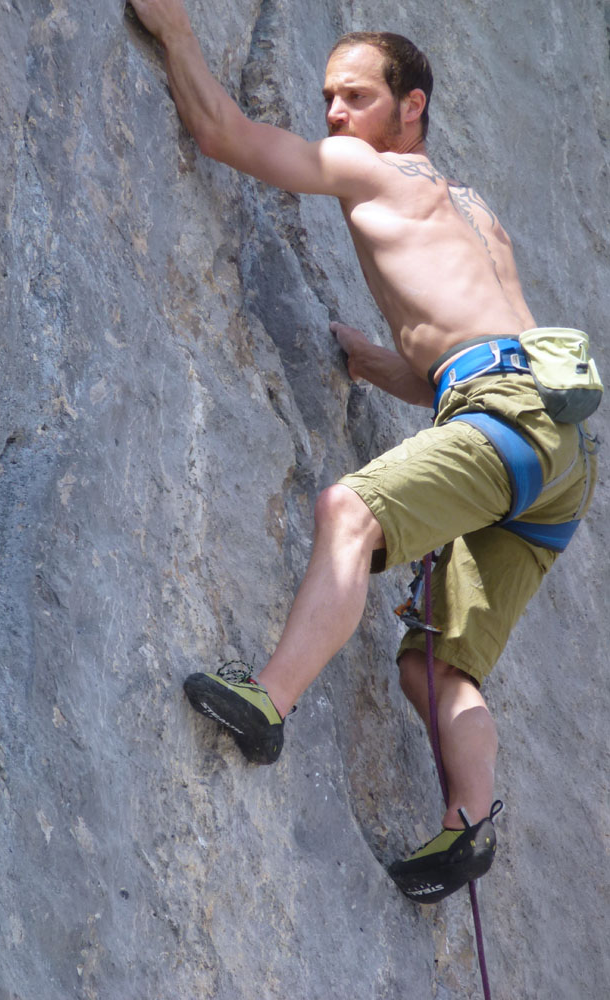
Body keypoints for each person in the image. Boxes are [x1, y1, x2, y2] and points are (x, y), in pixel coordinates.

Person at [127, 0, 598, 902]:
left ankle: (267, 701)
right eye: (327, 97)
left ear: (410, 105)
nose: (335, 116)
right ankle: (468, 826)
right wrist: (380, 364)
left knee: (349, 509)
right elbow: (469, 355)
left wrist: (176, 32)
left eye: (354, 96)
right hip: (555, 448)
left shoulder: (365, 170)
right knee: (436, 666)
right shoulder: (476, 211)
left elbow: (223, 132)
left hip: (502, 418)